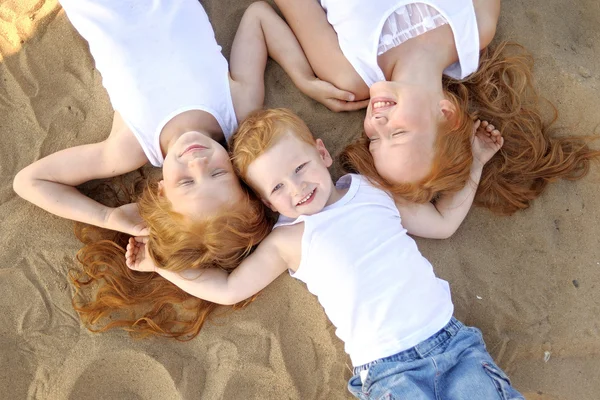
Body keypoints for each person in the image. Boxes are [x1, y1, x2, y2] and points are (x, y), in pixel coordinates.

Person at [12, 0, 362, 339]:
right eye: (217, 174)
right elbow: (258, 16)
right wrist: (303, 77)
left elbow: (29, 181)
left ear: (161, 191)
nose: (196, 162)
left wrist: (106, 218)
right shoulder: (236, 107)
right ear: (238, 171)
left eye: (185, 182)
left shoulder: (130, 145)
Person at [125, 109, 523, 398]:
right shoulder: (288, 240)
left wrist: (477, 164)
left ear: (321, 153)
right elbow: (229, 289)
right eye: (277, 189)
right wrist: (160, 266)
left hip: (452, 344)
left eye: (299, 167)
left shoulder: (372, 189)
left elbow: (441, 223)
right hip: (389, 371)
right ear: (266, 201)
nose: (297, 189)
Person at [273, 0, 600, 215]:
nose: (378, 122)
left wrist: (303, 77)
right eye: (397, 133)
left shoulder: (349, 74)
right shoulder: (475, 27)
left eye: (374, 139)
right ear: (447, 113)